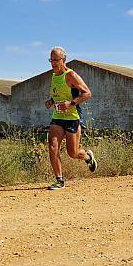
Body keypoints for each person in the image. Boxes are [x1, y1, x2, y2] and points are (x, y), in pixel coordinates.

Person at [44, 46, 97, 190]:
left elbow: (87, 93)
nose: (53, 63)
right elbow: (59, 95)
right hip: (57, 117)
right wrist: (51, 101)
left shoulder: (71, 75)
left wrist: (71, 103)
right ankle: (59, 180)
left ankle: (87, 157)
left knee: (73, 153)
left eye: (56, 60)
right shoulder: (54, 76)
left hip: (72, 118)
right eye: (51, 60)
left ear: (64, 59)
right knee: (52, 146)